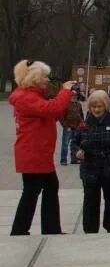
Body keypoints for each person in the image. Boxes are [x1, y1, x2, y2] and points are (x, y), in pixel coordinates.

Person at [10, 60, 76, 236]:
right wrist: (65, 92)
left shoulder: (29, 96)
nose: (48, 80)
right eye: (45, 77)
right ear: (35, 78)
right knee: (32, 191)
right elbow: (51, 111)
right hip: (34, 154)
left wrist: (61, 102)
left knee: (47, 187)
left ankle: (49, 228)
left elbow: (47, 115)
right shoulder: (26, 97)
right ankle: (20, 230)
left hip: (38, 154)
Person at [72, 90, 110, 233]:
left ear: (105, 106)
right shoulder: (84, 124)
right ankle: (90, 229)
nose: (96, 110)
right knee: (90, 201)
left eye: (99, 106)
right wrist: (77, 152)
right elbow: (74, 141)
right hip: (90, 170)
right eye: (93, 107)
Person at [59, 84, 85, 165]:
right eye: (72, 95)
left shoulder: (78, 104)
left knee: (74, 144)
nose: (74, 96)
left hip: (77, 128)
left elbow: (81, 116)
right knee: (65, 144)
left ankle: (74, 159)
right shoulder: (66, 104)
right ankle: (63, 159)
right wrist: (66, 126)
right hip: (68, 128)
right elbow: (61, 117)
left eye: (75, 95)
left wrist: (82, 124)